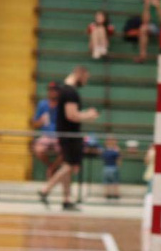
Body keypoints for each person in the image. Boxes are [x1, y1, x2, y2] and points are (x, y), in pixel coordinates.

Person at [38, 65, 99, 210]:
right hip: (70, 134)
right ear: (79, 74)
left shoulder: (65, 90)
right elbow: (71, 115)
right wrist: (89, 115)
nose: (85, 81)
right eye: (85, 78)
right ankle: (45, 190)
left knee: (68, 164)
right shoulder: (70, 92)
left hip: (64, 133)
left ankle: (66, 199)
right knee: (70, 165)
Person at [31, 81, 61, 179]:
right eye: (50, 90)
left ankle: (52, 169)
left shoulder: (62, 105)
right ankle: (51, 167)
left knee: (66, 152)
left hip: (59, 136)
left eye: (55, 90)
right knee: (37, 149)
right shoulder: (42, 104)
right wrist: (41, 121)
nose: (52, 92)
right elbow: (35, 123)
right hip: (46, 136)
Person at [101, 135, 121, 200]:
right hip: (107, 166)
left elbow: (119, 159)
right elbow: (103, 157)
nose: (110, 141)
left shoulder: (116, 149)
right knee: (107, 181)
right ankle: (107, 194)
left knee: (115, 181)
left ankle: (116, 194)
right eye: (109, 140)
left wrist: (118, 165)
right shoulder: (105, 149)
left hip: (114, 167)